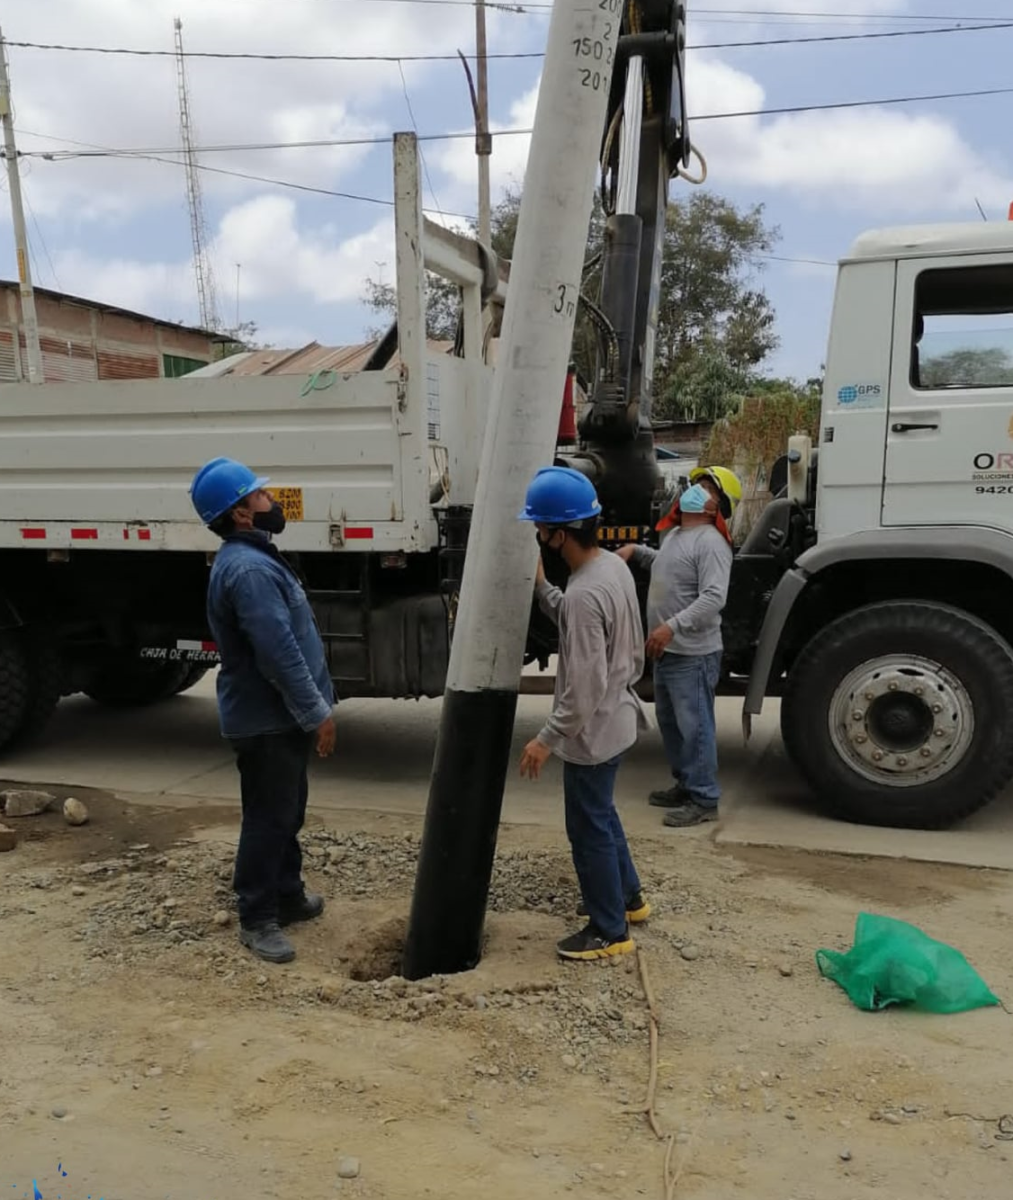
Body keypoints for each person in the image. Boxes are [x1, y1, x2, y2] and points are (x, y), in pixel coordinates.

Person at [190, 457, 336, 965]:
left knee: (286, 808)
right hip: (266, 719)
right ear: (241, 515)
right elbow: (279, 654)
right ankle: (257, 916)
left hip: (275, 718)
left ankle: (288, 894)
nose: (271, 501)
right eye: (260, 496)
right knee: (269, 817)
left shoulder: (253, 558)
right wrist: (316, 712)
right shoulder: (249, 570)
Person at [517, 466, 650, 961]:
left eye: (540, 528)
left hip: (591, 733)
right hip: (615, 720)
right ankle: (630, 899)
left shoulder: (585, 591)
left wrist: (546, 738)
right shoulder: (608, 569)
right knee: (604, 816)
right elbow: (578, 618)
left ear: (558, 534)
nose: (537, 535)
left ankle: (609, 931)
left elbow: (585, 683)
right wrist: (542, 590)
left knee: (588, 828)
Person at [617, 465, 741, 829]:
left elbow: (714, 597)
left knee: (695, 726)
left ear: (716, 507)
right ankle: (686, 784)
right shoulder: (676, 536)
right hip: (669, 651)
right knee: (672, 724)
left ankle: (704, 798)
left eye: (708, 489)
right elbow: (668, 566)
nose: (696, 490)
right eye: (698, 484)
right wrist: (638, 551)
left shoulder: (712, 543)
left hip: (693, 652)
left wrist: (671, 626)